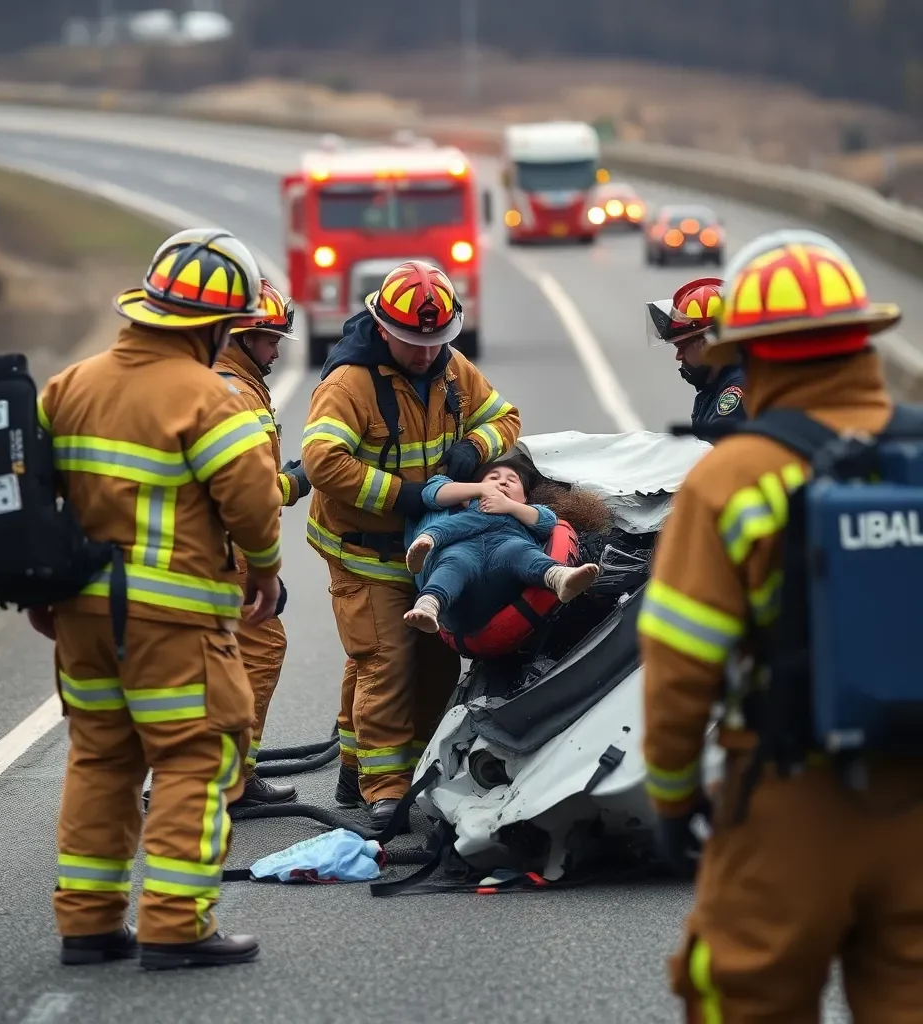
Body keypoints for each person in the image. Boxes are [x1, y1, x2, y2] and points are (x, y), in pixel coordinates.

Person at [638, 229, 923, 1019]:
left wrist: (671, 796)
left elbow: (679, 666)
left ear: (749, 352)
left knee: (743, 994)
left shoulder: (733, 477)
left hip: (789, 795)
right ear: (865, 341)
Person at [32, 228, 284, 971]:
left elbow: (34, 500)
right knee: (195, 759)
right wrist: (264, 571)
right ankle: (176, 925)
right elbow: (253, 504)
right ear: (212, 328)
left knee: (101, 760)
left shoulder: (68, 384)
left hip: (80, 617)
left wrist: (46, 595)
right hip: (172, 623)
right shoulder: (209, 397)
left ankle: (88, 923)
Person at [302, 260, 520, 828]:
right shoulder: (349, 384)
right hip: (364, 550)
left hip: (428, 551)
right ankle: (386, 791)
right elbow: (323, 461)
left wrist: (475, 446)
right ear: (383, 329)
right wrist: (405, 497)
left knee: (433, 663)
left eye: (435, 341)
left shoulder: (452, 370)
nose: (425, 354)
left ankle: (370, 767)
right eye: (412, 342)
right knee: (385, 662)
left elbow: (506, 418)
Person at [213, 279, 311, 809]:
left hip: (210, 553)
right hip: (227, 554)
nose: (276, 351)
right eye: (271, 340)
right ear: (242, 336)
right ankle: (231, 784)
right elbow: (248, 494)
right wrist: (294, 482)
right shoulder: (235, 394)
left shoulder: (225, 382)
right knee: (258, 652)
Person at [403, 462, 600, 634]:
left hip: (501, 565)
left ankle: (559, 577)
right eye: (493, 478)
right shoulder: (466, 507)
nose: (503, 482)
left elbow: (548, 521)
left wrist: (510, 506)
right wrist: (428, 539)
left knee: (519, 551)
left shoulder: (523, 513)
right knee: (454, 563)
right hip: (462, 563)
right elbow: (441, 511)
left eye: (512, 480)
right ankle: (428, 605)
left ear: (524, 497)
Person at [645, 278, 746, 432]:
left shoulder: (735, 391)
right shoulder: (714, 386)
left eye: (682, 347)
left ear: (706, 344)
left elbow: (712, 450)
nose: (678, 356)